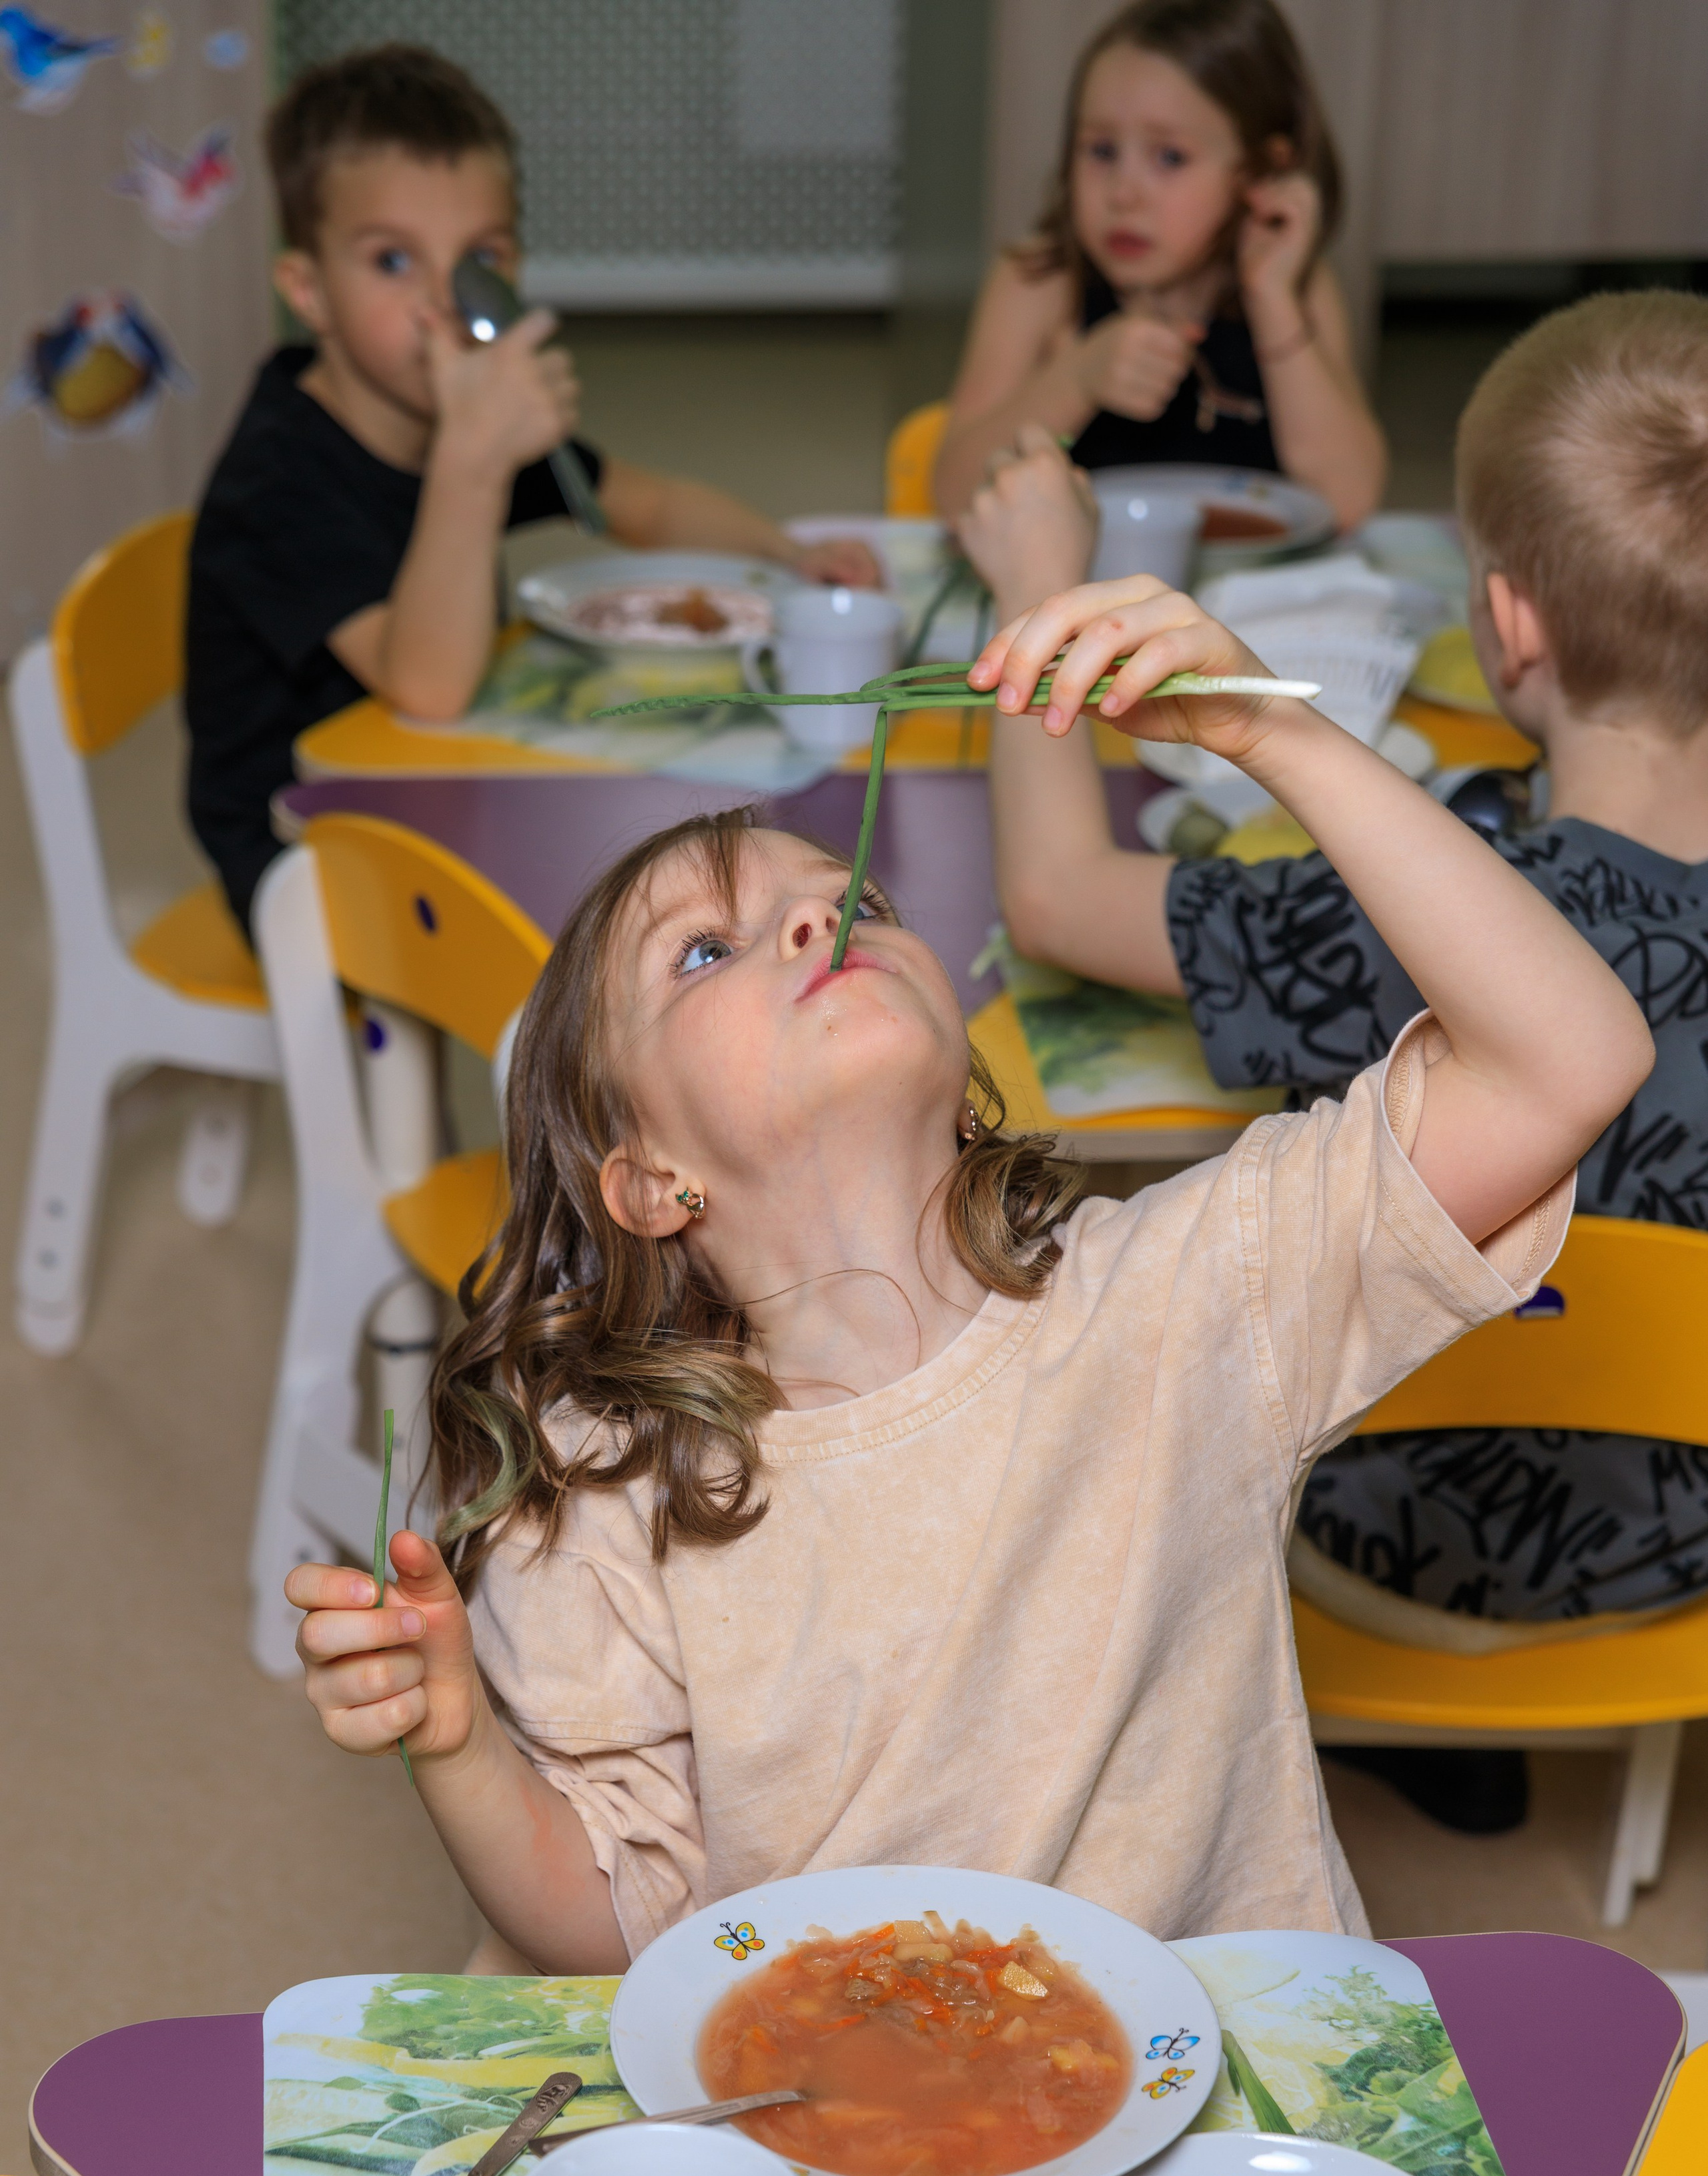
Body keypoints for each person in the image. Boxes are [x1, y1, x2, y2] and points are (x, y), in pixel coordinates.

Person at [282, 562, 1649, 1972]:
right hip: (827, 2109)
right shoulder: (592, 1483)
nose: (818, 921)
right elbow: (614, 1928)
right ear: (644, 1181)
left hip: (1205, 2071)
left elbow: (1569, 1060)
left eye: (848, 896)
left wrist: (1272, 737)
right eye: (704, 952)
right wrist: (455, 1745)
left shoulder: (1189, 1299)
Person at [961, 289, 1708, 1830]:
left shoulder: (1416, 932)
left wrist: (1035, 588)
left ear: (1504, 627)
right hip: (1687, 1541)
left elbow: (1049, 899)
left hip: (1397, 1540)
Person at [186, 45, 880, 938]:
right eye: (392, 262)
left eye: (479, 258)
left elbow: (648, 506)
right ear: (308, 291)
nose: (443, 302)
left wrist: (789, 552)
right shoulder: (276, 479)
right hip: (297, 843)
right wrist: (471, 457)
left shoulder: (462, 415)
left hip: (434, 772)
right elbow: (426, 686)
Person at [933, 0, 1384, 530]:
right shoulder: (1039, 283)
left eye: (1169, 157)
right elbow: (955, 495)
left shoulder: (1299, 289)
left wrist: (1274, 300)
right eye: (1101, 151)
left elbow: (1350, 500)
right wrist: (1074, 381)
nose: (1124, 194)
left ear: (1264, 169)